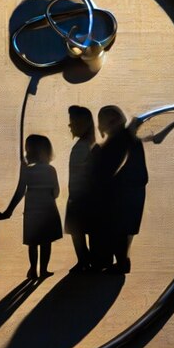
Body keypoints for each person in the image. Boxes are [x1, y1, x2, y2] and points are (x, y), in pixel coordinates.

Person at [96, 105, 148, 273]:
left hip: (122, 195)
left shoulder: (122, 141)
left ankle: (120, 262)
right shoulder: (129, 140)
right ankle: (120, 261)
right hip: (130, 193)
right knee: (123, 231)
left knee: (120, 230)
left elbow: (108, 170)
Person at [4, 134, 63, 279]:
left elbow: (20, 191)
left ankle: (32, 269)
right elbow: (56, 192)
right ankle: (43, 270)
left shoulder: (27, 170)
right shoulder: (50, 170)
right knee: (46, 242)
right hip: (48, 210)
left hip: (32, 212)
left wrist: (9, 210)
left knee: (33, 242)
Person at [65, 105, 100, 272]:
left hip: (81, 196)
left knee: (78, 230)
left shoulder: (83, 146)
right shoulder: (90, 145)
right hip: (85, 196)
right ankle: (87, 260)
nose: (70, 126)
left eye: (73, 122)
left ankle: (84, 260)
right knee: (88, 230)